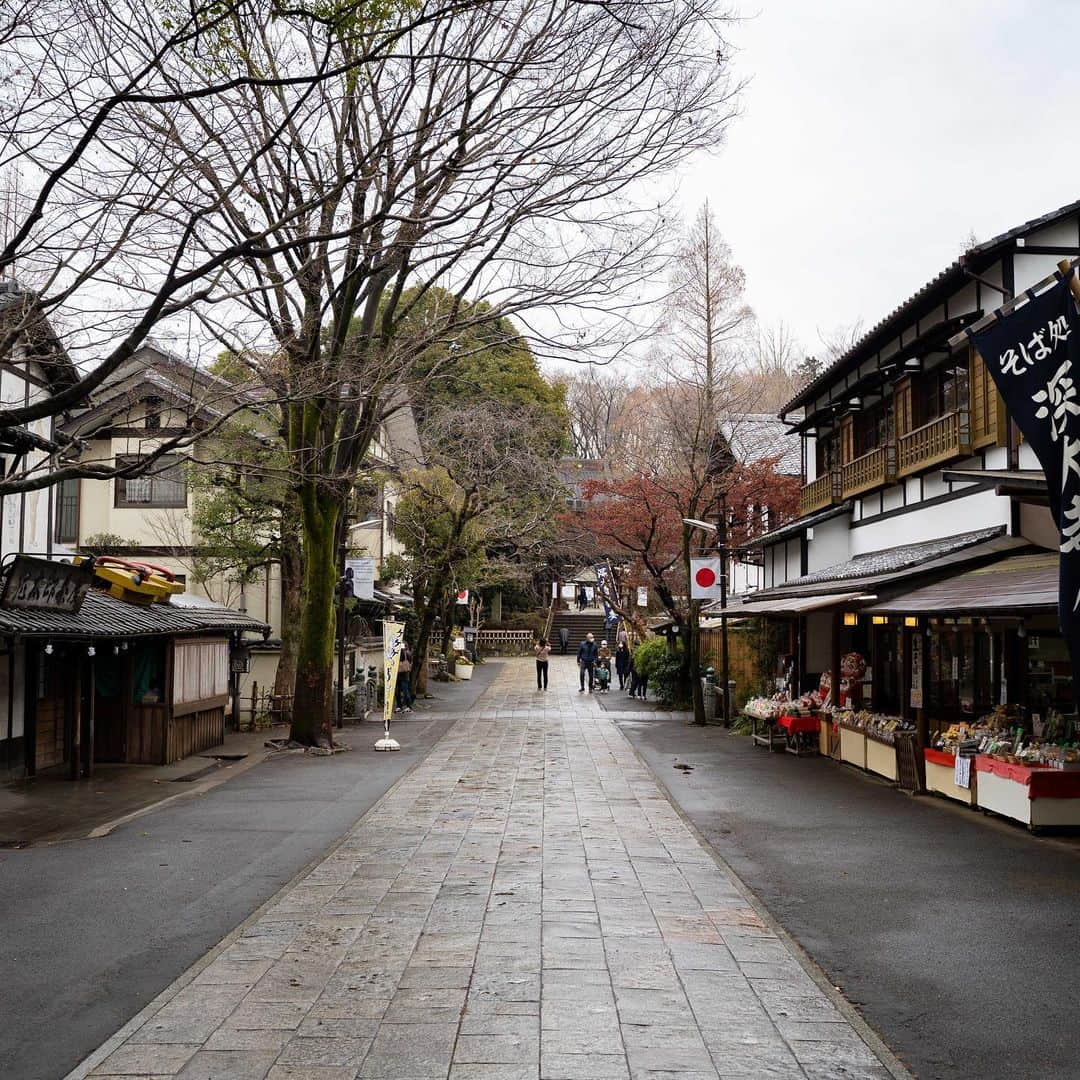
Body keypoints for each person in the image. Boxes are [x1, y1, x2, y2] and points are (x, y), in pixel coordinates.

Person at [396, 644, 414, 712]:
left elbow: (410, 663)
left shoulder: (407, 654)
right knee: (397, 692)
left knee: (405, 691)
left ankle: (409, 706)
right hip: (399, 675)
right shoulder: (397, 654)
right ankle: (399, 706)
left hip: (404, 675)